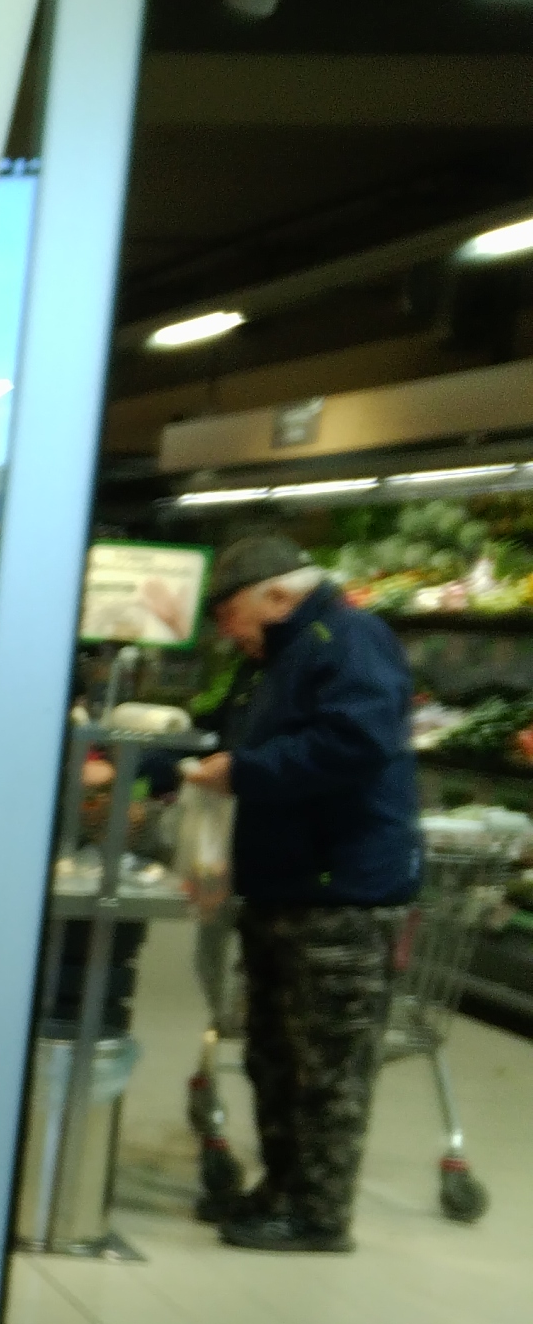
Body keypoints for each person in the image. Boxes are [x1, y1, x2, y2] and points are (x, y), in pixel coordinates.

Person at [179, 531, 421, 1251]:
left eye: (231, 616)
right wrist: (151, 766)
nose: (227, 634)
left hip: (340, 889)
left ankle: (319, 1215)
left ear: (278, 596)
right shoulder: (273, 659)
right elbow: (225, 740)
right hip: (283, 884)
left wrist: (244, 774)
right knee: (274, 1056)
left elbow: (356, 743)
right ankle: (279, 1190)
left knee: (328, 1067)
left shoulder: (350, 639)